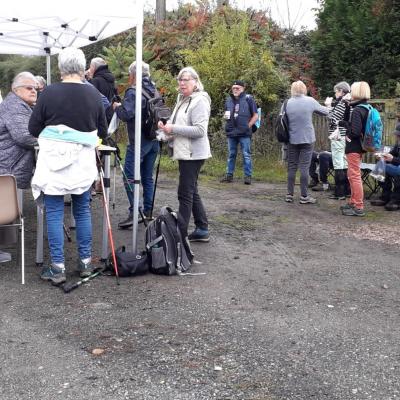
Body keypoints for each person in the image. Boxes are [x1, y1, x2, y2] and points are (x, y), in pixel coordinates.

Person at [29, 47, 108, 284]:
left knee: (53, 213)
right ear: (83, 68)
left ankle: (57, 267)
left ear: (60, 68)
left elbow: (33, 129)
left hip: (53, 163)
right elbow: (103, 131)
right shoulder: (93, 95)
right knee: (82, 211)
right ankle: (85, 263)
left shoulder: (49, 93)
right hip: (82, 164)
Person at [157, 66, 211, 242]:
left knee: (184, 193)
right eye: (180, 79)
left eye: (186, 79)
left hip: (194, 154)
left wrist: (173, 128)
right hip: (184, 152)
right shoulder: (182, 99)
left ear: (195, 82)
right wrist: (165, 130)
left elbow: (200, 130)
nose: (182, 83)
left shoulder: (200, 101)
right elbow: (176, 124)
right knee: (192, 190)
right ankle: (202, 228)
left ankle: (179, 234)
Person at [113, 61, 160, 229]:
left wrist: (116, 107)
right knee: (147, 177)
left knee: (129, 177)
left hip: (139, 141)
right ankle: (147, 211)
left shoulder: (133, 91)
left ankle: (135, 212)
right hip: (154, 139)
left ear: (133, 74)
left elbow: (126, 114)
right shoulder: (154, 89)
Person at [284, 80, 329, 204]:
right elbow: (325, 112)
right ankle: (304, 196)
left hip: (292, 139)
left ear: (292, 89)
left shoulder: (287, 103)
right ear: (304, 89)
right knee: (304, 167)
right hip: (307, 139)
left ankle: (289, 194)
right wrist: (328, 104)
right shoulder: (310, 101)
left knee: (292, 167)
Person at [0, 72, 38, 189]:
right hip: (10, 167)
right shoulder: (15, 106)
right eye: (29, 88)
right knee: (9, 204)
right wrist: (50, 141)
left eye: (35, 88)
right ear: (16, 90)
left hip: (10, 165)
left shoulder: (19, 104)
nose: (33, 91)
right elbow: (24, 137)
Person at [339, 81, 371, 217]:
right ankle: (353, 202)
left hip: (354, 146)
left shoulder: (358, 110)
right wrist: (347, 107)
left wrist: (344, 126)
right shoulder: (366, 107)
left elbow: (355, 131)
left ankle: (358, 206)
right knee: (353, 175)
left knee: (354, 176)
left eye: (352, 91)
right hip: (360, 146)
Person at [220, 80, 258, 185]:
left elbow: (255, 116)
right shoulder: (228, 100)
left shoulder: (248, 99)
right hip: (231, 132)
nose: (235, 90)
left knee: (246, 154)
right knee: (231, 154)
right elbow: (226, 114)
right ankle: (229, 175)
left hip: (244, 133)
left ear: (243, 89)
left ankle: (247, 177)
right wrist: (227, 120)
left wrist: (248, 126)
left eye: (238, 88)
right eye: (234, 88)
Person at [325, 81, 351, 199]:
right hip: (345, 136)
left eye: (336, 91)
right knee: (345, 162)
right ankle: (346, 190)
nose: (335, 93)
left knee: (338, 163)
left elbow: (333, 119)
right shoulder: (349, 101)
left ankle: (339, 193)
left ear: (341, 91)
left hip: (338, 136)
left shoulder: (342, 103)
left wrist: (328, 106)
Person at [370, 123, 400, 211]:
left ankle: (396, 200)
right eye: (397, 135)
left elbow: (394, 159)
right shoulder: (398, 144)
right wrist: (383, 156)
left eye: (399, 135)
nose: (397, 137)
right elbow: (391, 154)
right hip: (397, 167)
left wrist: (393, 159)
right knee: (381, 166)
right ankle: (385, 196)